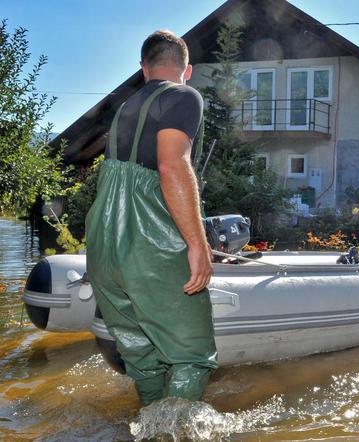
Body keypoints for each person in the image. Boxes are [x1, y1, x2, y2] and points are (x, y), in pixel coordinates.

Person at [85, 30, 217, 405]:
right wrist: (197, 244)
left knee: (142, 358)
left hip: (103, 244)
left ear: (144, 69)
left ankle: (151, 426)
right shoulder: (184, 95)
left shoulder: (126, 107)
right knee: (191, 357)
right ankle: (173, 430)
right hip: (149, 243)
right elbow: (172, 165)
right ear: (187, 70)